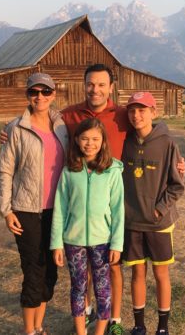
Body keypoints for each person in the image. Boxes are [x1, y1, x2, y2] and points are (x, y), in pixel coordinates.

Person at [1, 64, 185, 335]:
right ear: (84, 85)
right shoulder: (68, 116)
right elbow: (38, 122)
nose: (95, 89)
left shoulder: (123, 114)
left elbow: (153, 127)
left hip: (117, 203)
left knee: (111, 266)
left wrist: (177, 160)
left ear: (111, 87)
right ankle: (86, 315)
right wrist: (8, 131)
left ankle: (114, 320)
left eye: (101, 84)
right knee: (82, 271)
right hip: (78, 202)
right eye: (90, 84)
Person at [0, 72, 68, 335]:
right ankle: (29, 331)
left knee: (51, 271)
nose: (40, 97)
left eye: (45, 92)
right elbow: (4, 170)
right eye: (34, 92)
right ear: (27, 95)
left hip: (58, 211)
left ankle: (39, 326)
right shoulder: (16, 128)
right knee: (33, 270)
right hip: (26, 210)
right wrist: (6, 210)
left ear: (53, 95)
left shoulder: (63, 127)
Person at [50, 118, 124, 335]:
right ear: (76, 140)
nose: (89, 144)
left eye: (95, 139)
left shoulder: (112, 171)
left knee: (103, 289)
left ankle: (100, 332)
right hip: (73, 242)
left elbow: (118, 210)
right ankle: (81, 332)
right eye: (84, 138)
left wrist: (117, 244)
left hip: (103, 241)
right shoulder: (68, 172)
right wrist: (56, 243)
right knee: (78, 288)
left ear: (103, 142)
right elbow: (60, 209)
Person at [121, 91, 185, 335]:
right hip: (132, 221)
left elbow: (177, 185)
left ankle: (162, 327)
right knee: (137, 272)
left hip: (159, 223)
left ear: (153, 112)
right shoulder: (124, 142)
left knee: (160, 273)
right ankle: (139, 325)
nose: (136, 115)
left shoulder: (167, 143)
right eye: (132, 110)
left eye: (142, 110)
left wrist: (159, 209)